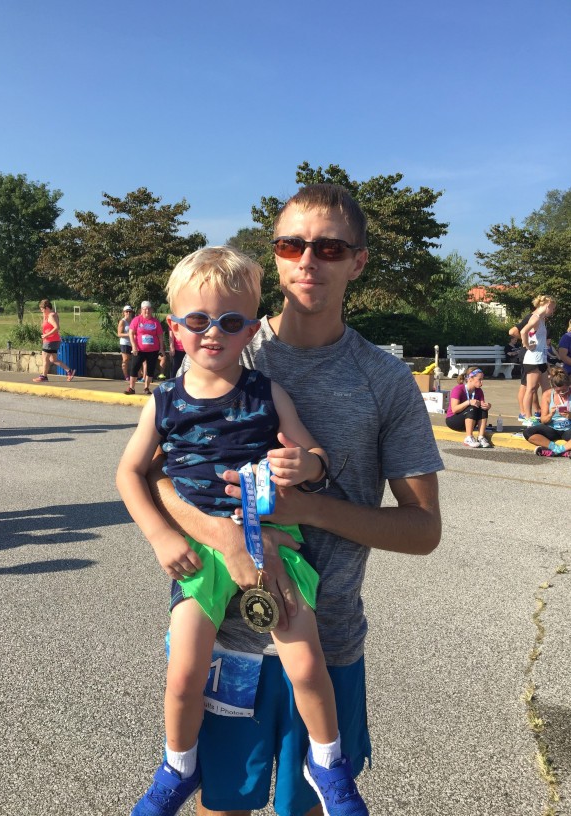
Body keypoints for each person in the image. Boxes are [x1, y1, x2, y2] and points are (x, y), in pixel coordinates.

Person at [143, 184, 443, 816]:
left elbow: (423, 530)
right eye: (291, 244)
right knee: (222, 803)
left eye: (330, 247)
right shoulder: (225, 341)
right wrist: (225, 537)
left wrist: (305, 508)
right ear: (275, 255)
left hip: (325, 639)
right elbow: (158, 476)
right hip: (225, 635)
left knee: (305, 806)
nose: (309, 260)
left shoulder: (385, 381)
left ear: (358, 261)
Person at [118, 246, 369, 816]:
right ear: (174, 328)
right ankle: (178, 766)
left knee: (308, 664)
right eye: (198, 320)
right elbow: (130, 473)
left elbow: (314, 453)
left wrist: (308, 466)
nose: (214, 332)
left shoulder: (267, 392)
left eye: (231, 322)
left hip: (273, 547)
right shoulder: (163, 401)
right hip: (200, 554)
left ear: (251, 330)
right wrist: (160, 536)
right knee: (184, 673)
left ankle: (328, 764)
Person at [519, 295, 556, 427]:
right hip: (533, 359)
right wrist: (527, 345)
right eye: (553, 308)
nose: (553, 311)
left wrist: (546, 361)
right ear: (547, 305)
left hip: (541, 359)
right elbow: (523, 331)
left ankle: (546, 415)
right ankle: (527, 417)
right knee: (531, 388)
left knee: (547, 389)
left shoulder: (542, 319)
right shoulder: (535, 318)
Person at [522, 367, 571, 457]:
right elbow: (543, 420)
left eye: (565, 390)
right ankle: (557, 449)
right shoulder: (548, 394)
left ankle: (558, 451)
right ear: (553, 387)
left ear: (569, 386)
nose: (562, 393)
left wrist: (569, 415)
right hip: (553, 428)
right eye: (558, 391)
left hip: (568, 428)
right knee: (528, 432)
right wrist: (550, 414)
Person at [125, 301, 166, 396]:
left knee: (150, 369)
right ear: (141, 310)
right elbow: (131, 333)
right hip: (139, 349)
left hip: (153, 350)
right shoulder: (136, 320)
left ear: (151, 310)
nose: (147, 311)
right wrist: (134, 346)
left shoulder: (155, 322)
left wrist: (161, 348)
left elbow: (160, 336)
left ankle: (146, 388)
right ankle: (131, 388)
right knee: (134, 368)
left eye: (148, 309)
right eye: (144, 309)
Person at [445, 367, 492, 448]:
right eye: (479, 379)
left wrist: (488, 406)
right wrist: (468, 402)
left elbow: (482, 405)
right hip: (453, 420)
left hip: (470, 421)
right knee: (471, 408)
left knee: (483, 409)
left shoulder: (479, 391)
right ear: (470, 379)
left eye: (482, 379)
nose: (482, 382)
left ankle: (481, 437)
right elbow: (454, 409)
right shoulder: (458, 389)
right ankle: (468, 437)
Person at [32, 299, 75, 383]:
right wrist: (44, 316)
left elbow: (57, 328)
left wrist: (46, 335)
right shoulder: (51, 315)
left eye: (42, 309)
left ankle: (44, 376)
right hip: (53, 340)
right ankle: (69, 371)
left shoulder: (51, 316)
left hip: (50, 341)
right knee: (53, 360)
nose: (41, 311)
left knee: (45, 358)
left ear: (47, 308)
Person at [508, 316, 540, 421]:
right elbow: (512, 331)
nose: (552, 311)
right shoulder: (532, 317)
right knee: (526, 385)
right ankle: (523, 413)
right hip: (527, 355)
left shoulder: (542, 319)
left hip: (537, 355)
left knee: (534, 385)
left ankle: (537, 410)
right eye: (551, 309)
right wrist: (525, 340)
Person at [118, 305, 134, 381]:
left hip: (133, 343)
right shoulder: (122, 321)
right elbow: (119, 334)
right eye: (126, 311)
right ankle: (126, 376)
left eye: (129, 311)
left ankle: (137, 375)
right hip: (125, 343)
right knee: (125, 359)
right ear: (123, 312)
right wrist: (129, 334)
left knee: (136, 360)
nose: (128, 313)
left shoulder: (133, 321)